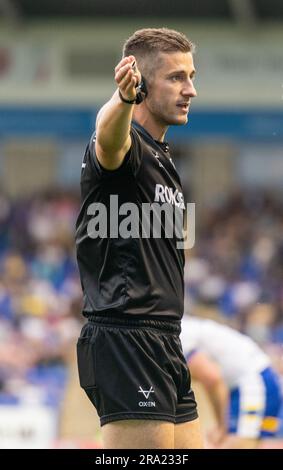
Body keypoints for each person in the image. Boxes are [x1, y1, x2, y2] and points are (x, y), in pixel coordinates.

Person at [75, 27, 203, 449]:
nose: (191, 90)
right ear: (142, 85)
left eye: (191, 76)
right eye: (176, 78)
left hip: (165, 338)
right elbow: (108, 137)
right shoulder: (125, 151)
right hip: (126, 335)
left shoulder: (165, 161)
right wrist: (122, 99)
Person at [180, 316, 282, 448]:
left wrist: (222, 426)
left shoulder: (178, 335)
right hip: (251, 381)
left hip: (252, 382)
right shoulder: (180, 326)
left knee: (236, 444)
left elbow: (212, 378)